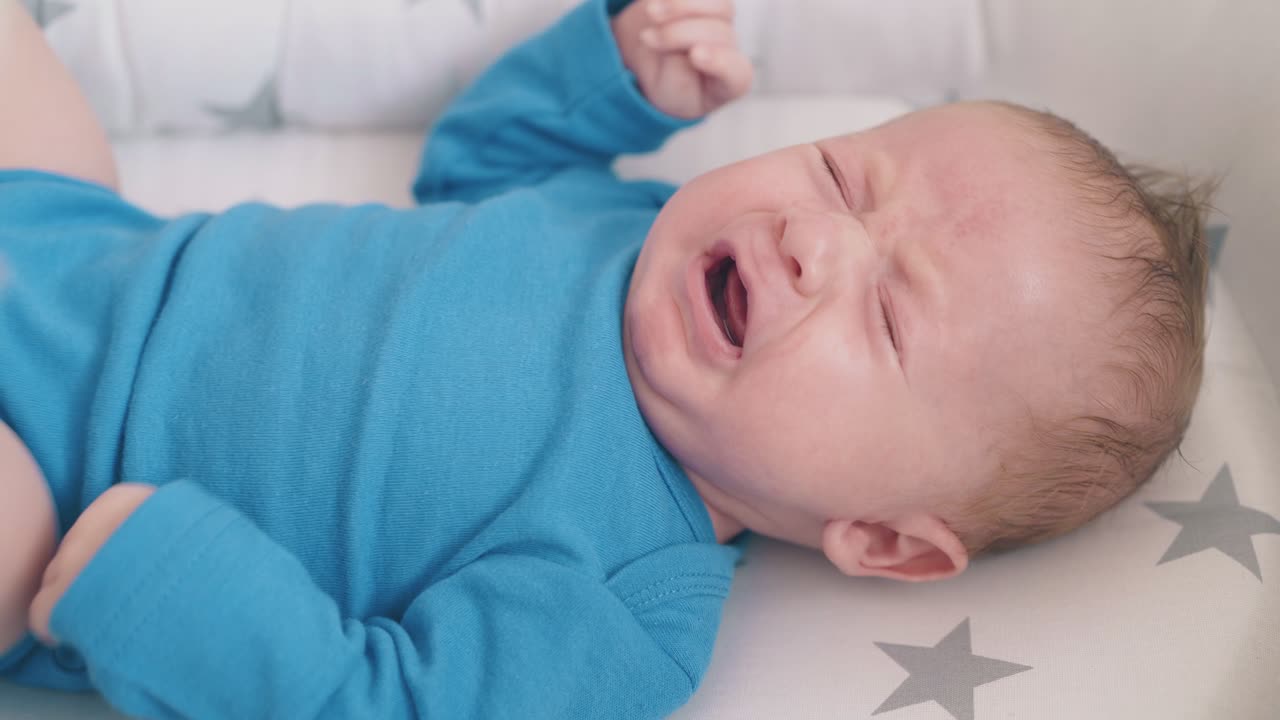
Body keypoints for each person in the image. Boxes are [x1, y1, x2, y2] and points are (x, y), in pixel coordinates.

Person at [0, 0, 1214, 717]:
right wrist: (612, 81)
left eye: (888, 316)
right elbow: (469, 175)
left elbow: (379, 701)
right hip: (83, 237)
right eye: (845, 175)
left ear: (885, 539)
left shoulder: (622, 606)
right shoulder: (624, 228)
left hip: (56, 488)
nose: (810, 241)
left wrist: (163, 590)